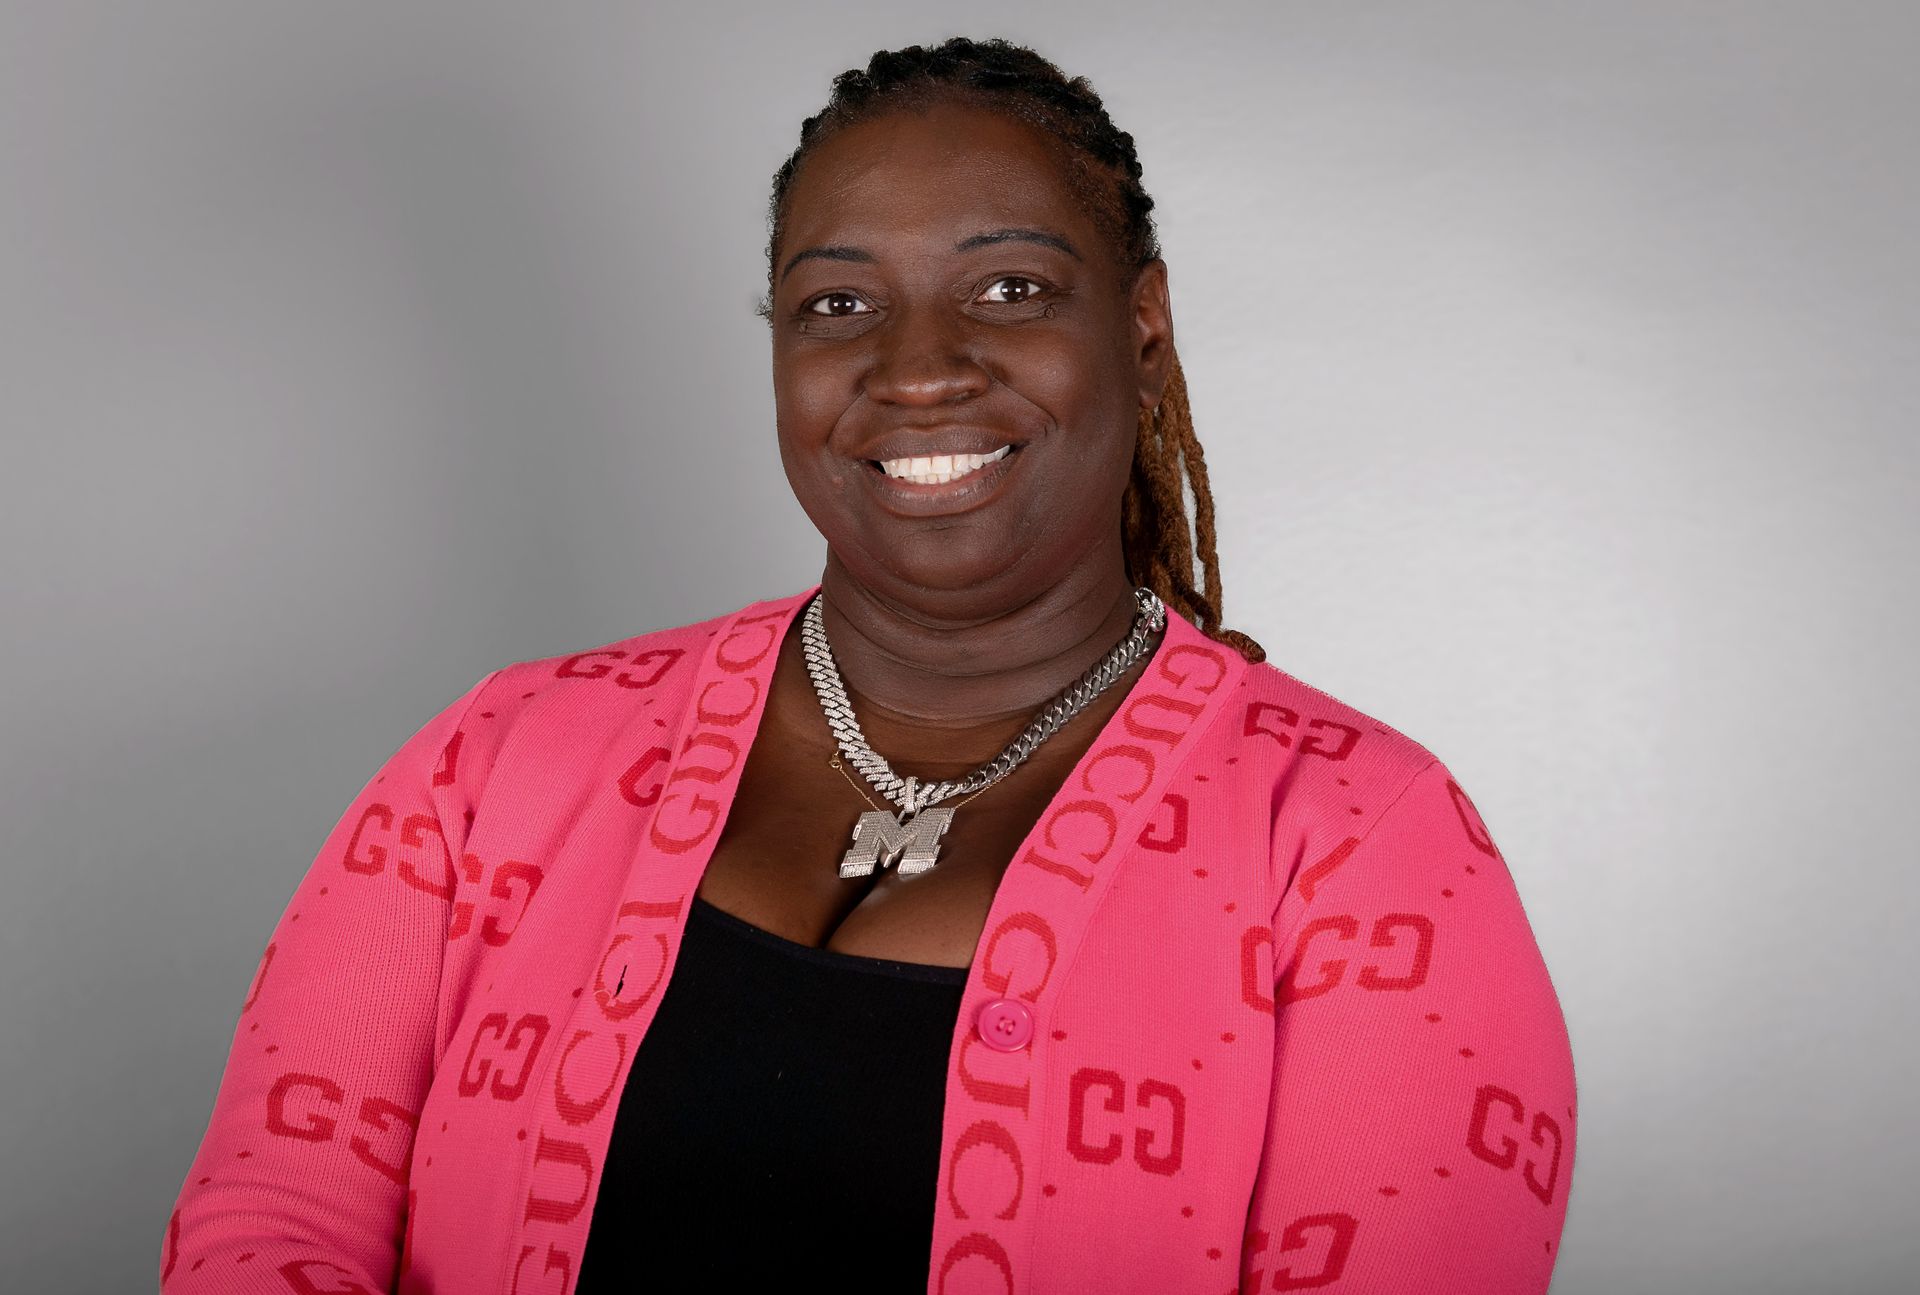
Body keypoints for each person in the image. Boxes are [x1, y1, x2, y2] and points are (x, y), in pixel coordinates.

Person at [162, 36, 1576, 1294]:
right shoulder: (502, 757)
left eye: (1010, 288)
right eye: (838, 305)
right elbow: (271, 1224)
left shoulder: (1356, 845)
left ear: (1142, 334)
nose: (917, 369)